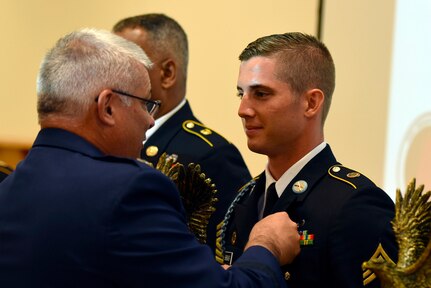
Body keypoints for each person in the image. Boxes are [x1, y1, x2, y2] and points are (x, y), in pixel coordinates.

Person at [0, 28, 300, 288]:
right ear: (107, 107)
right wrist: (265, 246)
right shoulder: (128, 192)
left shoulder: (10, 187)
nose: (148, 121)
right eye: (146, 105)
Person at [220, 32, 398, 287]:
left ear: (311, 103)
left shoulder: (354, 204)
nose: (243, 110)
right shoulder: (246, 199)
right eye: (241, 94)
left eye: (261, 94)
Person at [112, 14, 252, 256]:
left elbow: (225, 258)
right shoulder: (110, 138)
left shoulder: (211, 155)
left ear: (167, 73)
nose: (109, 76)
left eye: (123, 64)